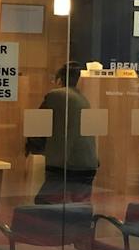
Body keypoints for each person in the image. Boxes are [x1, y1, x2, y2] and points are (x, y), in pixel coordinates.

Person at [30, 62, 99, 204]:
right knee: (79, 206)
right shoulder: (83, 99)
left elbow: (38, 124)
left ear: (60, 79)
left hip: (64, 163)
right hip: (88, 163)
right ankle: (81, 226)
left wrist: (33, 146)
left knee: (44, 202)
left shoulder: (55, 95)